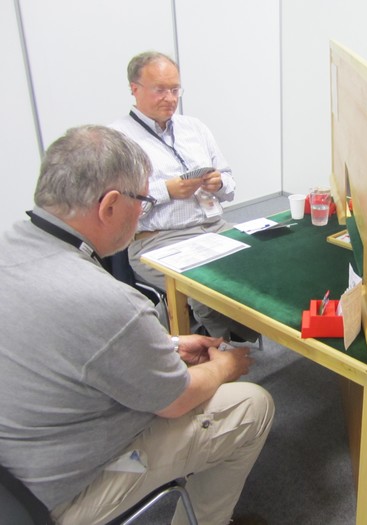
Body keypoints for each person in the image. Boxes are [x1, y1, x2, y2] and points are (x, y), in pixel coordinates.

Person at [0, 125, 274, 525]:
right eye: (143, 200)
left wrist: (168, 344)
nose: (143, 211)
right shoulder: (106, 299)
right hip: (59, 496)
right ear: (110, 205)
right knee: (251, 405)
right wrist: (225, 366)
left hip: (15, 471)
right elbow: (177, 400)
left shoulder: (12, 246)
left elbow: (66, 341)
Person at [111, 51, 256, 341]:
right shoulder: (117, 139)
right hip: (158, 239)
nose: (170, 98)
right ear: (134, 88)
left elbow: (230, 185)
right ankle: (222, 350)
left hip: (214, 227)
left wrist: (219, 183)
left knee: (263, 259)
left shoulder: (195, 128)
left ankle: (244, 335)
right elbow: (116, 207)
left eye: (175, 90)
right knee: (208, 289)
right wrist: (166, 191)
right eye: (160, 90)